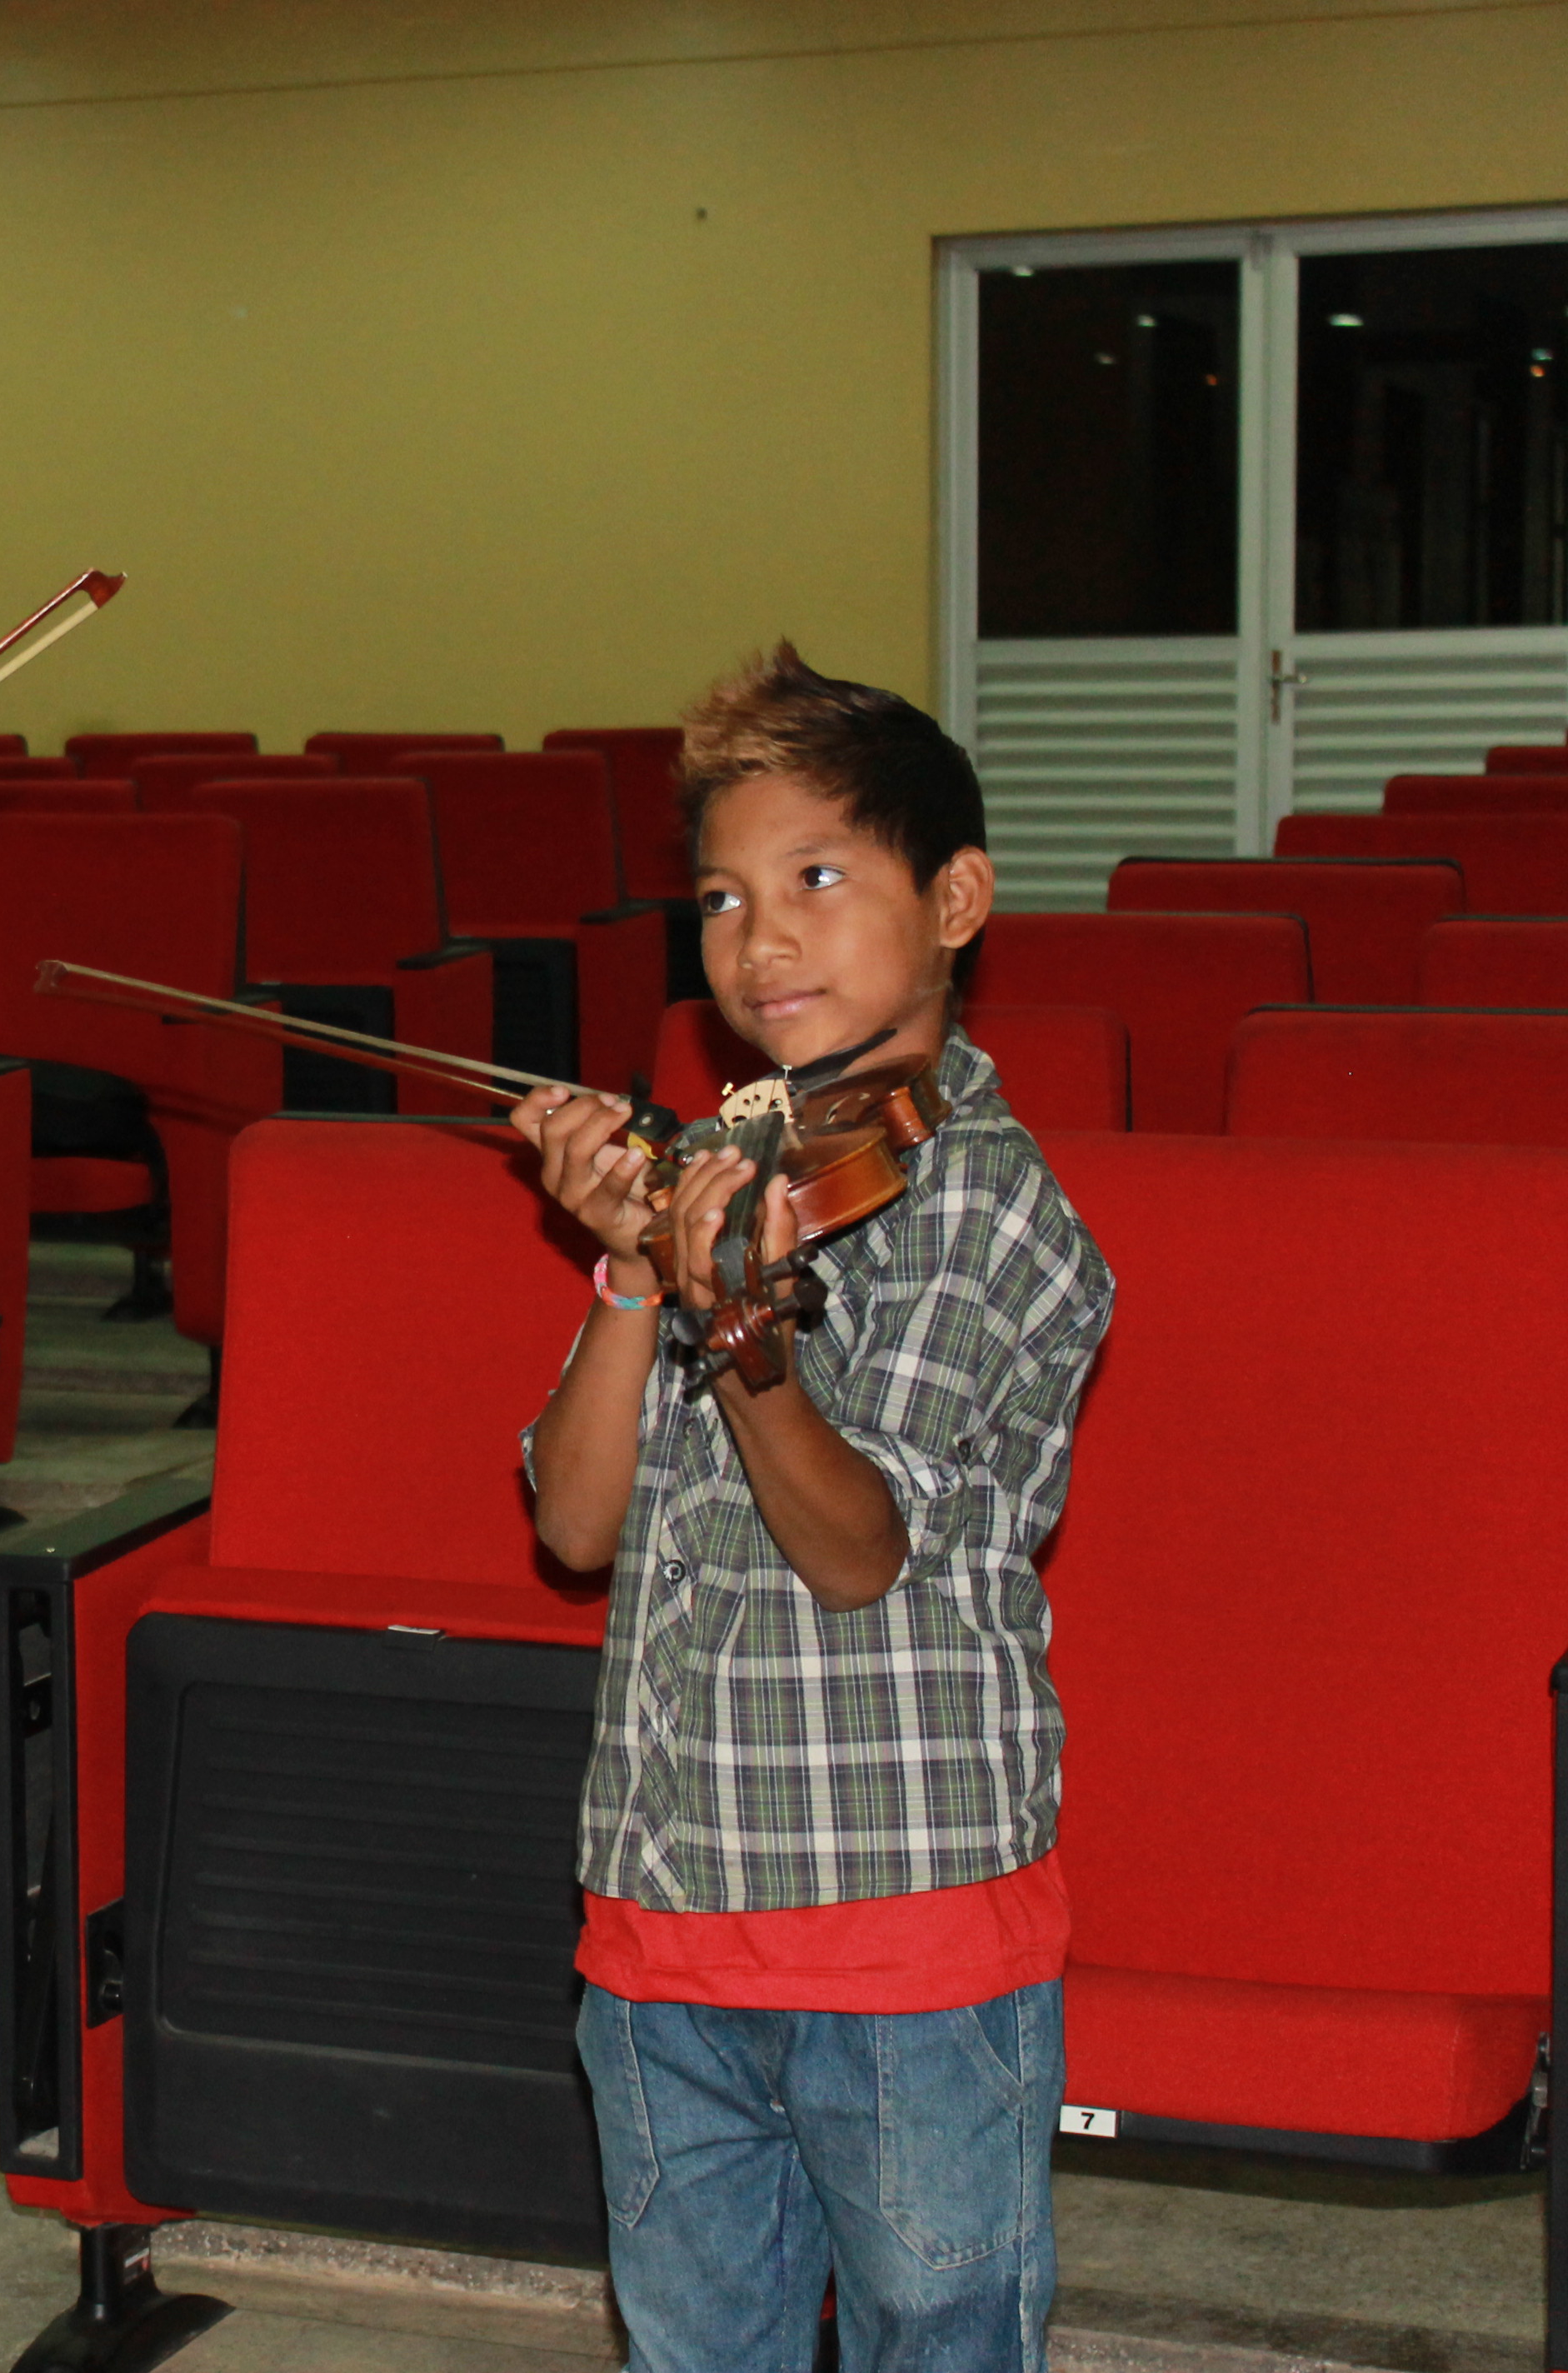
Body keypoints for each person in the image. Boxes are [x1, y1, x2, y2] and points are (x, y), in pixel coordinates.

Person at [507, 647, 1113, 2373]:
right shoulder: (720, 1175)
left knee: (942, 2338)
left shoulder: (994, 1213)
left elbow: (858, 1550)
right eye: (721, 896)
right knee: (696, 2346)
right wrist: (634, 1276)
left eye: (817, 880)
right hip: (659, 1922)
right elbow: (574, 1523)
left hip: (912, 1945)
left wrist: (744, 1325)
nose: (760, 939)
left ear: (958, 900)